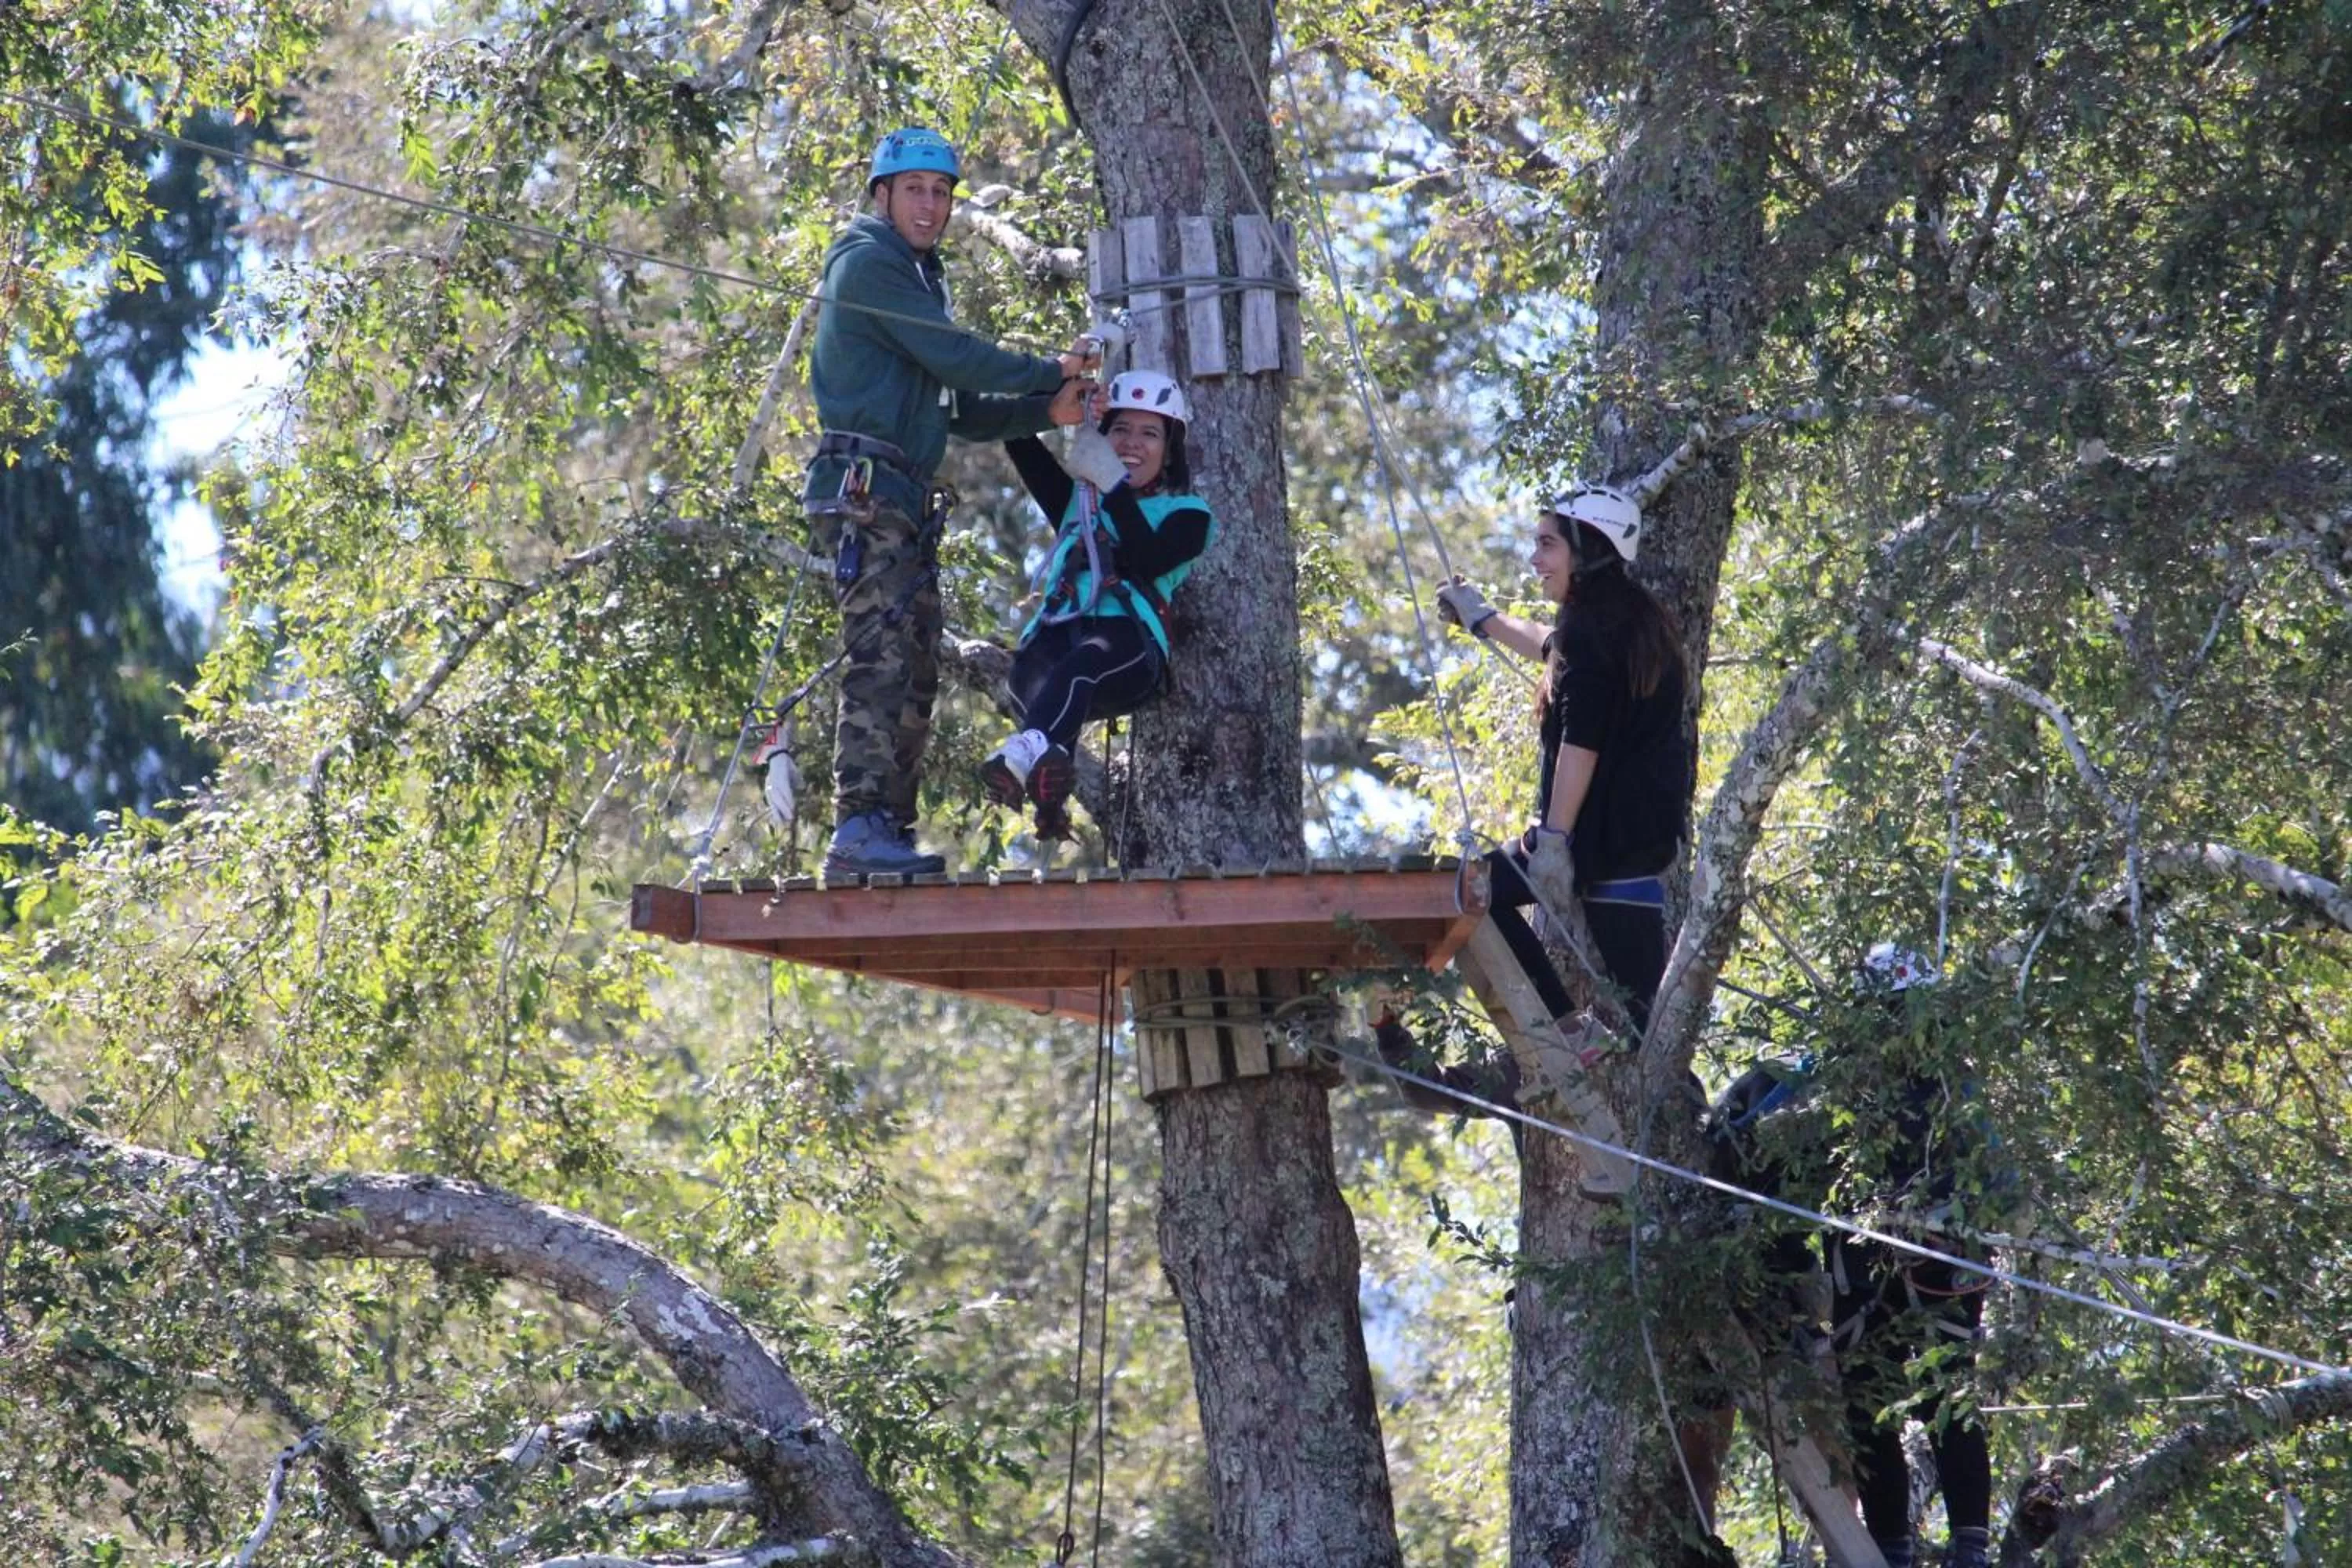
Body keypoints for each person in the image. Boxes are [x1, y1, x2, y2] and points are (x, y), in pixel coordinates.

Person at [806, 125, 1098, 877]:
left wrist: (1050, 412)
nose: (930, 205)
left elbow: (957, 408)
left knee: (914, 666)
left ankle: (887, 835)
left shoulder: (918, 277)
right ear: (882, 195)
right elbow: (955, 355)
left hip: (902, 498)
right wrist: (1048, 370)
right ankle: (859, 828)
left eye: (941, 193)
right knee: (879, 658)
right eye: (915, 190)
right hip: (865, 491)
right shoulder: (868, 261)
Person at [1430, 483, 1692, 1031]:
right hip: (1635, 850)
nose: (1535, 559)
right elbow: (1552, 646)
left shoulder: (1593, 633)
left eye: (1547, 545)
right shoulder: (1634, 620)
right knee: (1649, 1031)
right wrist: (1485, 620)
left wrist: (1552, 841)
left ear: (1587, 547)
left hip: (1598, 845)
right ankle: (1605, 1053)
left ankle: (1568, 1030)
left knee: (1465, 897)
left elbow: (1582, 742)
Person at [978, 371, 1216, 837]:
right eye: (1121, 429)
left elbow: (1147, 559)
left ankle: (1024, 756)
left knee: (1086, 659)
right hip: (1047, 647)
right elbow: (1017, 433)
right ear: (1102, 436)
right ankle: (1048, 779)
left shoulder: (1189, 515)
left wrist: (1113, 484)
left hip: (1126, 648)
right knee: (1056, 663)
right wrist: (1060, 382)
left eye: (1150, 433)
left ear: (1169, 451)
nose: (1133, 443)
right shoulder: (1077, 502)